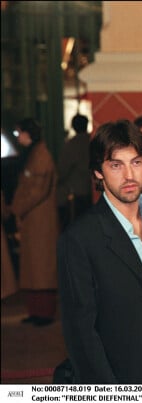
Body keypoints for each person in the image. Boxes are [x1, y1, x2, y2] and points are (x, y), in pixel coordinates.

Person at [57, 119, 142, 383]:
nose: (129, 175)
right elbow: (80, 333)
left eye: (136, 162)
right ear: (98, 173)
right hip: (119, 379)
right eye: (116, 165)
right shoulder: (80, 237)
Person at [10, 118, 59, 326]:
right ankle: (36, 311)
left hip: (39, 221)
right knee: (34, 267)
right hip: (33, 220)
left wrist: (15, 209)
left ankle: (44, 313)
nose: (18, 137)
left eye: (19, 132)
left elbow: (36, 190)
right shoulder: (34, 154)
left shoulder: (40, 155)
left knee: (41, 268)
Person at [56, 113, 93, 230]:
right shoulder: (92, 142)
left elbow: (62, 170)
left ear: (73, 126)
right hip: (91, 191)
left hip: (75, 194)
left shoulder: (71, 145)